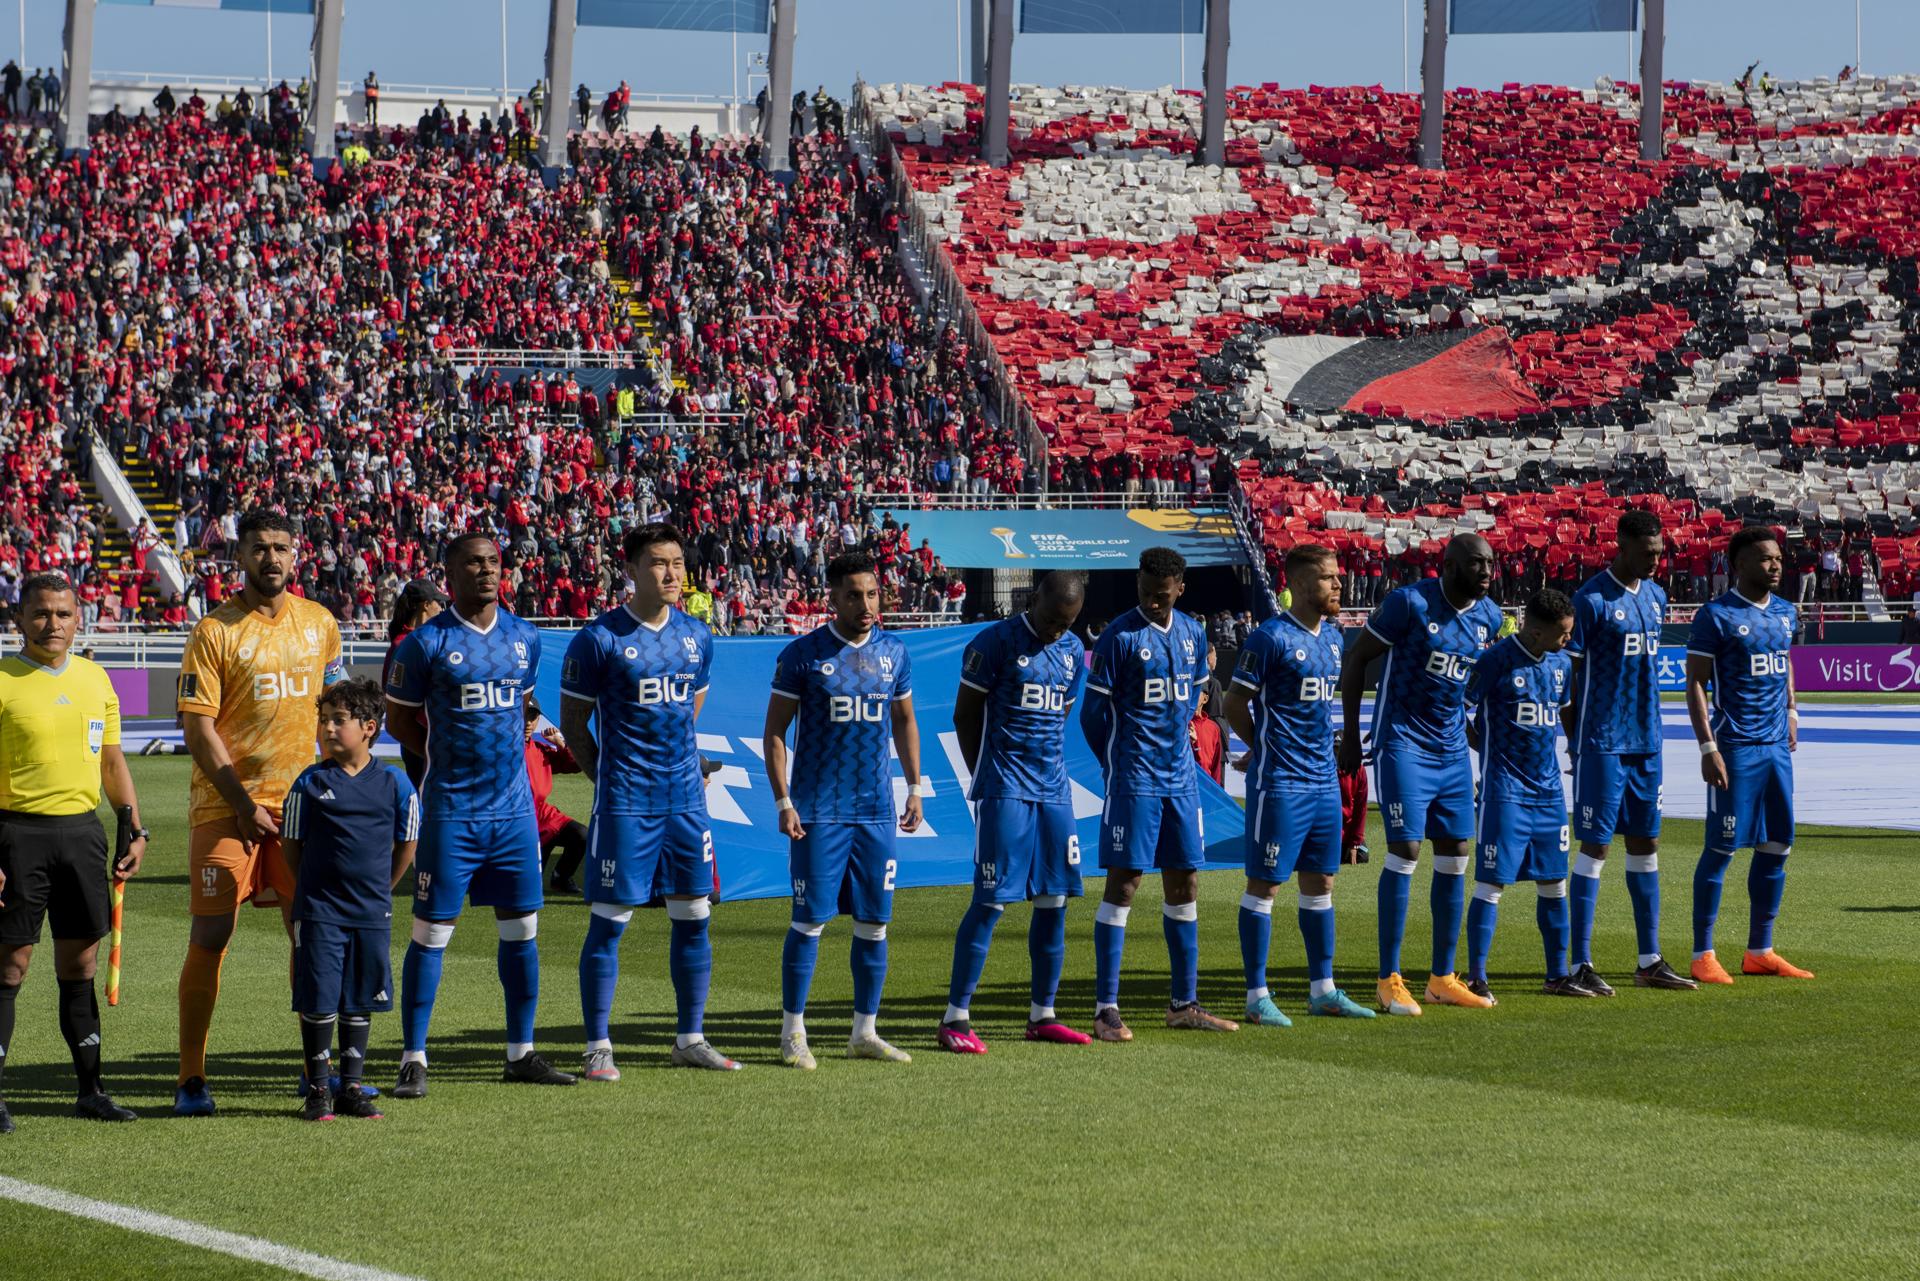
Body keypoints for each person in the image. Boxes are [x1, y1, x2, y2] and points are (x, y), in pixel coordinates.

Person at [386, 533, 574, 1097]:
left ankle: (521, 1052)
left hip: (515, 815)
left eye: (493, 561)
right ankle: (413, 1056)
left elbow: (523, 706)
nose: (487, 570)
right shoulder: (425, 645)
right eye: (474, 562)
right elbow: (399, 725)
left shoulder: (525, 638)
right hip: (451, 813)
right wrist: (447, 758)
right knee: (431, 933)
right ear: (450, 573)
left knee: (521, 933)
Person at [174, 510, 345, 1117]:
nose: (271, 558)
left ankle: (315, 1071)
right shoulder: (214, 631)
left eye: (280, 547)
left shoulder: (320, 623)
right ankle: (191, 1077)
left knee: (312, 934)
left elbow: (336, 708)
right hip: (227, 806)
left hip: (303, 808)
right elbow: (197, 726)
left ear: (295, 554)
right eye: (258, 548)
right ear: (239, 556)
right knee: (213, 933)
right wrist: (244, 803)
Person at [562, 524, 737, 1078]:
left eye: (679, 564)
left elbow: (691, 708)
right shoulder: (599, 639)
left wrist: (678, 768)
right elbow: (574, 725)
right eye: (659, 563)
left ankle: (690, 1038)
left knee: (694, 916)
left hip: (686, 802)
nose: (671, 574)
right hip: (626, 804)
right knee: (610, 923)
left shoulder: (696, 635)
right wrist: (607, 780)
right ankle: (598, 1046)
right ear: (632, 570)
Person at [764, 551, 924, 1069]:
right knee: (809, 922)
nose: (866, 604)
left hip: (875, 810)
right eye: (854, 594)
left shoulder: (894, 652)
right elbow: (774, 732)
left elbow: (904, 721)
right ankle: (792, 1032)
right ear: (831, 597)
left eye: (873, 593)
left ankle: (865, 1032)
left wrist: (915, 787)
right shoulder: (803, 655)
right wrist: (784, 800)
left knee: (875, 925)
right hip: (819, 812)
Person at [0, 574, 148, 1131]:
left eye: (63, 614)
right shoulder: (3, 679)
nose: (52, 624)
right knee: (11, 964)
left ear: (79, 618)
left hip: (83, 835)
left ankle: (91, 1090)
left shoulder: (95, 678)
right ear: (19, 620)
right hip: (15, 835)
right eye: (40, 614)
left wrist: (133, 828)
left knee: (80, 963)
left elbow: (111, 762)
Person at [1338, 533, 1505, 1015]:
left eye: (1491, 564)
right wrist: (1351, 734)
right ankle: (1388, 978)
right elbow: (1357, 659)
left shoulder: (1488, 617)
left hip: (1452, 751)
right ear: (1449, 566)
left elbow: (1470, 679)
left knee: (1456, 853)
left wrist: (1473, 724)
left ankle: (1441, 977)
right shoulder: (1407, 604)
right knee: (1406, 849)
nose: (1487, 572)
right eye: (1477, 564)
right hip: (1403, 742)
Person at [1081, 546, 1236, 1040]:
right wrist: (1115, 767)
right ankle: (1106, 1008)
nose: (1152, 601)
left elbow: (1192, 701)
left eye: (1161, 595)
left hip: (1181, 781)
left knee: (1185, 882)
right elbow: (1092, 715)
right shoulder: (1117, 637)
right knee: (1124, 884)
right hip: (1134, 780)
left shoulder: (1193, 633)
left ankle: (1183, 1003)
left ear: (1180, 590)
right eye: (1146, 592)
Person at [938, 571, 1092, 1054]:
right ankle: (955, 1018)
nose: (1055, 630)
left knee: (1055, 900)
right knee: (991, 900)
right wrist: (984, 775)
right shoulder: (995, 642)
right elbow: (965, 715)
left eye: (1065, 623)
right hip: (1004, 789)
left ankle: (1042, 1014)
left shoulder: (1071, 652)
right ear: (1034, 597)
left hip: (1055, 792)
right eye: (1050, 619)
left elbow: (1062, 713)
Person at [1225, 545, 1376, 1025]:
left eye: (1337, 576)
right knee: (1265, 885)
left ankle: (1323, 990)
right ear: (1302, 583)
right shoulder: (1268, 638)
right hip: (1282, 783)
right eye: (1330, 578)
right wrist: (1265, 748)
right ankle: (1255, 996)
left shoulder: (1333, 639)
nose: (1338, 585)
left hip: (1323, 784)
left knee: (1322, 883)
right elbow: (1233, 704)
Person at [1563, 511, 1696, 993]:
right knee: (1596, 844)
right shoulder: (1591, 600)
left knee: (1646, 843)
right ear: (1621, 545)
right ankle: (1579, 961)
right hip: (1601, 741)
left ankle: (1649, 960)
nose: (1657, 560)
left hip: (1648, 742)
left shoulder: (1658, 597)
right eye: (1648, 552)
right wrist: (1575, 743)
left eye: (1660, 552)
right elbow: (1567, 677)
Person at [283, 679, 419, 1122]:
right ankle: (319, 1090)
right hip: (320, 911)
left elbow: (407, 844)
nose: (327, 729)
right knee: (319, 998)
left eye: (338, 721)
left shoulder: (395, 783)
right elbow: (291, 844)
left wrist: (380, 887)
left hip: (370, 911)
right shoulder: (309, 781)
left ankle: (352, 1087)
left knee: (360, 999)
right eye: (323, 720)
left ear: (369, 728)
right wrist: (314, 889)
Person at [1685, 526, 1810, 984]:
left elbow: (1785, 660)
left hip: (1777, 748)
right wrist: (1707, 747)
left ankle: (1761, 950)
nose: (1775, 565)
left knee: (1778, 844)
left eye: (1777, 558)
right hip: (1735, 749)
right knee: (1721, 849)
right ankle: (1703, 953)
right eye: (1764, 559)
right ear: (1738, 566)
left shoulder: (1784, 612)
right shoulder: (1715, 616)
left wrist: (1793, 710)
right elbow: (1695, 681)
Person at [1463, 591, 1581, 1003]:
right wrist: (1484, 748)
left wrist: (1574, 750)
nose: (1568, 640)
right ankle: (1476, 975)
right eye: (1562, 634)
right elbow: (1459, 711)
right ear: (1535, 630)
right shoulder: (1493, 661)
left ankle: (1558, 974)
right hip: (1504, 792)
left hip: (1549, 793)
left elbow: (1563, 714)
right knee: (1492, 883)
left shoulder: (1562, 664)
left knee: (1554, 883)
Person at [383, 579, 447, 787]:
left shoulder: (419, 639)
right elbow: (391, 691)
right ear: (426, 605)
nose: (441, 607)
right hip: (420, 736)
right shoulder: (405, 643)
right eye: (438, 602)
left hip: (429, 734)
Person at [523, 696, 586, 893]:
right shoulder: (502, 749)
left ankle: (561, 877)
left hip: (544, 815)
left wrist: (560, 743)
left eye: (532, 718)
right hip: (518, 819)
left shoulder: (541, 749)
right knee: (527, 887)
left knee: (582, 835)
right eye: (523, 716)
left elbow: (575, 764)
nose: (527, 722)